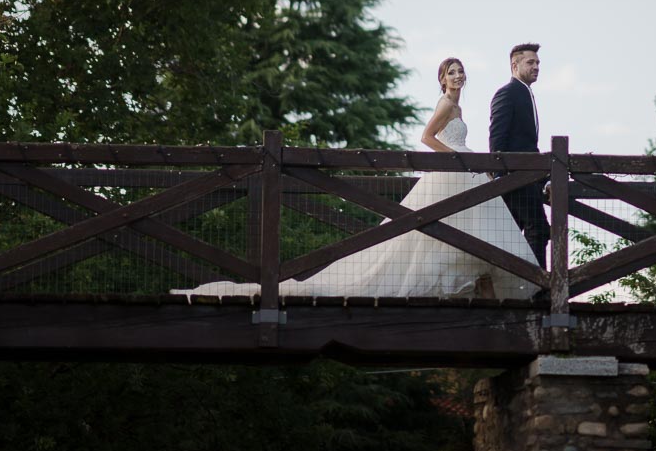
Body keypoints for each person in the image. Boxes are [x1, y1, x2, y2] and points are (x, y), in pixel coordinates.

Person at [171, 57, 539, 302]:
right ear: (442, 79)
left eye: (461, 71)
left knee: (464, 232)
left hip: (462, 172)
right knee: (433, 233)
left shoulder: (458, 107)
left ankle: (479, 290)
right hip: (450, 173)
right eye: (452, 72)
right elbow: (427, 138)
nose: (458, 76)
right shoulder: (445, 104)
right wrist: (457, 159)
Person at [489, 42, 550, 268]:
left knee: (513, 236)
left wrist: (545, 179)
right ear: (515, 65)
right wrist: (500, 178)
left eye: (538, 63)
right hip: (515, 178)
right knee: (539, 229)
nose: (536, 67)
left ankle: (518, 287)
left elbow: (529, 146)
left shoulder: (526, 93)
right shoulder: (507, 93)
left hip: (528, 177)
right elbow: (497, 139)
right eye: (530, 62)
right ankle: (537, 287)